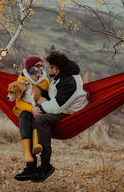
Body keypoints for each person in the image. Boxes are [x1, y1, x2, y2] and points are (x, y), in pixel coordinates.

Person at [31, 50, 89, 183]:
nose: (48, 69)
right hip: (61, 106)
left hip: (70, 113)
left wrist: (42, 102)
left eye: (50, 67)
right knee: (30, 110)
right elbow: (54, 95)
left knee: (41, 119)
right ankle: (31, 162)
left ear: (56, 69)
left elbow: (56, 107)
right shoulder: (62, 75)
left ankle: (46, 166)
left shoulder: (69, 82)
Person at [13, 55, 50, 181]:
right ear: (30, 68)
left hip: (40, 111)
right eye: (37, 66)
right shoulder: (21, 80)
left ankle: (36, 145)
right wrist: (31, 108)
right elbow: (18, 103)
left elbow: (49, 99)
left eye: (42, 66)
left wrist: (38, 106)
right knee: (24, 115)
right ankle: (29, 162)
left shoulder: (45, 81)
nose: (40, 68)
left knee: (38, 112)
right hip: (27, 111)